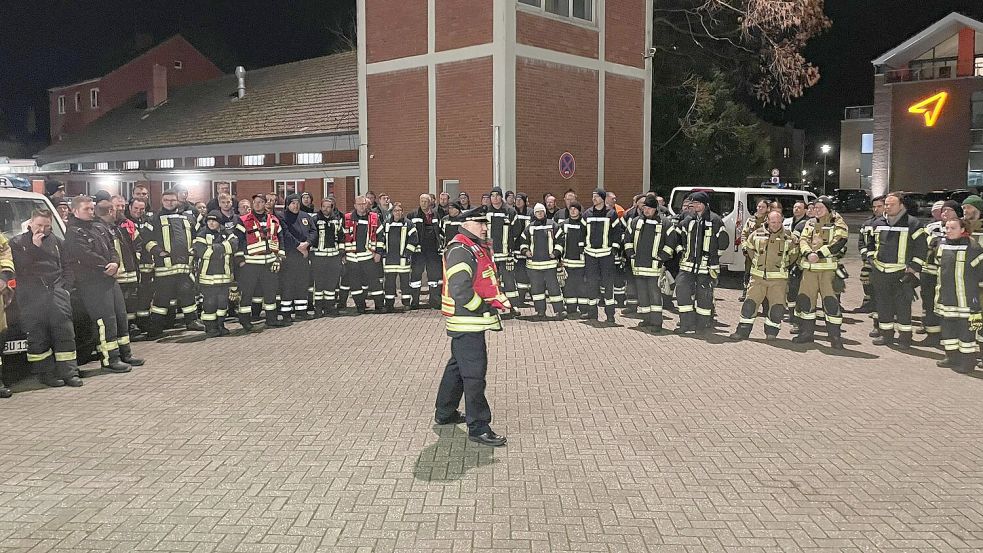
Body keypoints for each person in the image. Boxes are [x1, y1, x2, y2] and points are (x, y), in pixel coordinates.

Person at [434, 205, 509, 447]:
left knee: (457, 368)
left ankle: (445, 413)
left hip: (468, 322)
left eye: (485, 223)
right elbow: (460, 289)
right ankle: (479, 427)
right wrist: (483, 307)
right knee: (474, 375)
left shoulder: (472, 246)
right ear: (466, 226)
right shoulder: (460, 249)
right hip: (468, 321)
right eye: (480, 223)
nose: (485, 227)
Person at [8, 209, 84, 392]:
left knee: (65, 334)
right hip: (32, 298)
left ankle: (69, 373)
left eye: (46, 226)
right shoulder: (17, 243)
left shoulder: (58, 242)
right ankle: (46, 374)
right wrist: (35, 247)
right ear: (31, 223)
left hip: (56, 295)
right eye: (39, 225)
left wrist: (65, 289)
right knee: (38, 338)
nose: (42, 229)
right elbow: (21, 268)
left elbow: (68, 267)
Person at [64, 196, 138, 372]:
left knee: (120, 316)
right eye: (86, 209)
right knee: (105, 322)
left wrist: (115, 262)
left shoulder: (98, 227)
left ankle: (124, 353)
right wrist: (106, 266)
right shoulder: (74, 232)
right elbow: (85, 255)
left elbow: (113, 248)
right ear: (75, 211)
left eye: (92, 208)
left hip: (109, 279)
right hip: (93, 283)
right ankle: (109, 359)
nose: (91, 212)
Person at [865, 192, 926, 350]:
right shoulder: (878, 222)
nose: (888, 207)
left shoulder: (913, 224)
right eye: (886, 204)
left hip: (901, 273)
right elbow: (869, 243)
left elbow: (921, 249)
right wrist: (871, 258)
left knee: (903, 307)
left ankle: (905, 338)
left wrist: (913, 268)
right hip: (880, 272)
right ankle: (886, 335)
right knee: (883, 306)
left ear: (901, 205)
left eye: (891, 204)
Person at [144, 189, 204, 338]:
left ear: (178, 200)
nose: (169, 203)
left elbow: (198, 235)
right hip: (165, 266)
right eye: (166, 200)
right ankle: (156, 327)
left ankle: (192, 321)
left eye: (172, 200)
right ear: (161, 201)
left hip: (184, 265)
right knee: (162, 298)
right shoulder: (155, 219)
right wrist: (158, 251)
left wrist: (195, 249)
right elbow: (146, 239)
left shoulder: (188, 217)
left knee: (188, 294)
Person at [730, 210, 798, 341]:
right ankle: (742, 332)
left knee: (777, 308)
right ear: (767, 220)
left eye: (779, 222)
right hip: (758, 279)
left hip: (778, 280)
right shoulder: (757, 234)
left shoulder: (790, 237)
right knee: (749, 305)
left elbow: (794, 255)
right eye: (773, 222)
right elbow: (749, 249)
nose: (776, 224)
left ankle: (771, 333)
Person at [793, 196, 849, 348]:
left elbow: (839, 241)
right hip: (809, 271)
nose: (817, 210)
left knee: (831, 304)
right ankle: (806, 333)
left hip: (828, 272)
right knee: (806, 302)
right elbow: (803, 240)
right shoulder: (810, 222)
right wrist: (807, 254)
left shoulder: (837, 222)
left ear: (829, 208)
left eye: (821, 208)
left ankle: (835, 337)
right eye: (815, 208)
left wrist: (819, 254)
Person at [671, 191, 727, 334]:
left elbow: (724, 243)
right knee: (682, 290)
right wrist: (681, 252)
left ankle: (702, 326)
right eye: (693, 203)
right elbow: (677, 237)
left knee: (704, 297)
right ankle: (685, 323)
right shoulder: (688, 220)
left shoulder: (715, 220)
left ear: (705, 204)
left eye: (697, 203)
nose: (694, 205)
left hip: (706, 267)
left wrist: (713, 258)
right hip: (687, 265)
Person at [933, 217, 983, 373]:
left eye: (952, 228)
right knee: (948, 331)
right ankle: (951, 357)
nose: (948, 231)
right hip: (946, 298)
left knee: (966, 333)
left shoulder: (973, 247)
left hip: (966, 300)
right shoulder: (941, 245)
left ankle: (968, 363)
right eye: (947, 228)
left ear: (962, 230)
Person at [622, 196, 673, 332]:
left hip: (654, 267)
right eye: (644, 208)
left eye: (649, 208)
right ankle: (646, 319)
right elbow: (627, 238)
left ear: (655, 208)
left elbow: (671, 243)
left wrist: (661, 257)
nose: (646, 210)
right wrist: (630, 252)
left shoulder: (665, 223)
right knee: (642, 295)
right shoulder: (635, 222)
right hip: (638, 266)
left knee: (654, 294)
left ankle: (656, 323)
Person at [235, 194, 285, 330]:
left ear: (265, 203)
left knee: (270, 292)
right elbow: (238, 241)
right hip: (250, 264)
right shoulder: (244, 220)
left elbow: (280, 239)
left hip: (269, 263)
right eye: (255, 202)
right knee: (247, 293)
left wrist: (279, 258)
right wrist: (240, 261)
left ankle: (271, 319)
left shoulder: (273, 220)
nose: (257, 204)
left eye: (261, 202)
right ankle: (245, 320)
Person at [193, 211, 238, 337]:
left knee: (222, 303)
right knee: (210, 304)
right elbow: (203, 252)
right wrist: (223, 248)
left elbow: (234, 245)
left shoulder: (227, 233)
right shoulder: (202, 234)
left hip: (224, 276)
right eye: (209, 221)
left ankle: (220, 324)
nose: (211, 223)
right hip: (208, 277)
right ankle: (210, 327)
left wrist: (213, 248)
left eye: (214, 221)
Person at [517, 203, 565, 320]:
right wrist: (525, 251)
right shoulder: (530, 227)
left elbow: (560, 241)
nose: (539, 213)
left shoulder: (553, 225)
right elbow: (523, 241)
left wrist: (555, 253)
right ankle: (540, 311)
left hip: (550, 264)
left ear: (544, 212)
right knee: (537, 290)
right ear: (534, 214)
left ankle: (559, 311)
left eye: (541, 211)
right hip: (533, 265)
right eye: (537, 212)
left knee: (554, 289)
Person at [581, 189, 622, 325]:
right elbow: (582, 232)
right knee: (591, 284)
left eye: (597, 196)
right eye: (593, 196)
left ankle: (610, 315)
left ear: (603, 199)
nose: (594, 199)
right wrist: (583, 247)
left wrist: (614, 249)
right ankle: (592, 313)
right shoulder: (587, 214)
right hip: (590, 254)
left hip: (606, 255)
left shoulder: (611, 214)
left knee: (608, 285)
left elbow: (617, 232)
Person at [919, 200, 955, 346]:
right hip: (929, 273)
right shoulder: (931, 227)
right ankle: (932, 335)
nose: (944, 213)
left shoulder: (959, 227)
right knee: (929, 304)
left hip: (949, 276)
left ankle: (948, 336)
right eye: (943, 210)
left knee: (947, 307)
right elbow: (922, 244)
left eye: (948, 210)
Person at [342, 195, 384, 314]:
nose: (361, 206)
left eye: (364, 204)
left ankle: (379, 306)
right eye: (359, 204)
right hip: (352, 258)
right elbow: (341, 237)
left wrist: (379, 253)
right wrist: (342, 254)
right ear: (355, 205)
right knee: (355, 285)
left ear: (367, 204)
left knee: (375, 283)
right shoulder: (347, 218)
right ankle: (360, 306)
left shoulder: (374, 218)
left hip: (368, 256)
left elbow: (381, 237)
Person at [278, 194, 315, 323]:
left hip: (303, 256)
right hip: (290, 256)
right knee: (288, 285)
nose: (296, 205)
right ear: (287, 205)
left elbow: (313, 231)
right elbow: (285, 233)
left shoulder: (305, 216)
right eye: (293, 203)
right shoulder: (282, 217)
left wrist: (307, 244)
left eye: (297, 203)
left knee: (302, 284)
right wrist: (299, 246)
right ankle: (286, 314)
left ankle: (301, 312)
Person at [377, 203, 418, 312]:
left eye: (400, 210)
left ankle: (406, 303)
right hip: (389, 259)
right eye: (396, 211)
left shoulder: (408, 224)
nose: (398, 212)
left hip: (403, 259)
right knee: (389, 283)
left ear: (402, 212)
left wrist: (407, 253)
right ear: (392, 212)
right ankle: (389, 305)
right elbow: (380, 239)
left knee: (405, 283)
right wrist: (382, 253)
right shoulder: (386, 224)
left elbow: (414, 239)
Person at [487, 187, 520, 315]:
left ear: (501, 197)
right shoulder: (486, 212)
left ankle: (513, 306)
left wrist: (511, 250)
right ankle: (492, 307)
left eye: (497, 195)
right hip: (490, 255)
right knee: (491, 282)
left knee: (509, 281)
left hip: (506, 254)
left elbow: (516, 232)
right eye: (492, 196)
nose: (494, 198)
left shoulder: (510, 212)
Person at [407, 194, 443, 309]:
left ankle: (435, 301)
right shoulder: (412, 215)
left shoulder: (436, 215)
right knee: (416, 277)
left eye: (425, 201)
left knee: (434, 277)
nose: (423, 203)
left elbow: (440, 231)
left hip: (433, 251)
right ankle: (415, 301)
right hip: (418, 252)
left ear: (430, 202)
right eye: (421, 201)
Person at [310, 197, 345, 317]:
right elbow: (311, 236)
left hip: (334, 257)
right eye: (323, 206)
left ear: (332, 208)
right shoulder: (314, 220)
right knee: (319, 284)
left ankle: (330, 307)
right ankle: (318, 308)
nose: (326, 209)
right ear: (321, 207)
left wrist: (341, 251)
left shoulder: (336, 220)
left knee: (331, 284)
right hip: (318, 257)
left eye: (328, 207)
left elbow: (341, 237)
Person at [555, 201, 588, 318]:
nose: (573, 211)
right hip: (567, 261)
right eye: (571, 209)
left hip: (581, 262)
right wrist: (559, 260)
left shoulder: (584, 224)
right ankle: (571, 308)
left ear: (580, 211)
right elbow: (558, 242)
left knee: (582, 286)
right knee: (568, 286)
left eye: (575, 209)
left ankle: (584, 309)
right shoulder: (563, 225)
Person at [857, 196, 885, 324]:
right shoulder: (867, 223)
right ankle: (869, 303)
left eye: (879, 206)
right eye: (874, 206)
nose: (876, 209)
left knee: (880, 286)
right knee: (865, 279)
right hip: (869, 259)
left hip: (883, 262)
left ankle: (880, 308)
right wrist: (866, 256)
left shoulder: (888, 223)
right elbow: (862, 241)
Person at [739, 199, 770, 302]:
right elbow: (744, 234)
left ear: (767, 209)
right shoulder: (750, 220)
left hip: (763, 253)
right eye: (759, 206)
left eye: (763, 207)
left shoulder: (769, 221)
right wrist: (744, 247)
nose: (760, 208)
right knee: (748, 273)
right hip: (750, 252)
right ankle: (745, 292)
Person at [510, 193, 533, 306]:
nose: (518, 202)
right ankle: (520, 298)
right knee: (519, 273)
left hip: (528, 247)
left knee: (529, 273)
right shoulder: (511, 212)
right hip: (515, 246)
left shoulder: (530, 212)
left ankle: (530, 295)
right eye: (516, 200)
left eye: (520, 200)